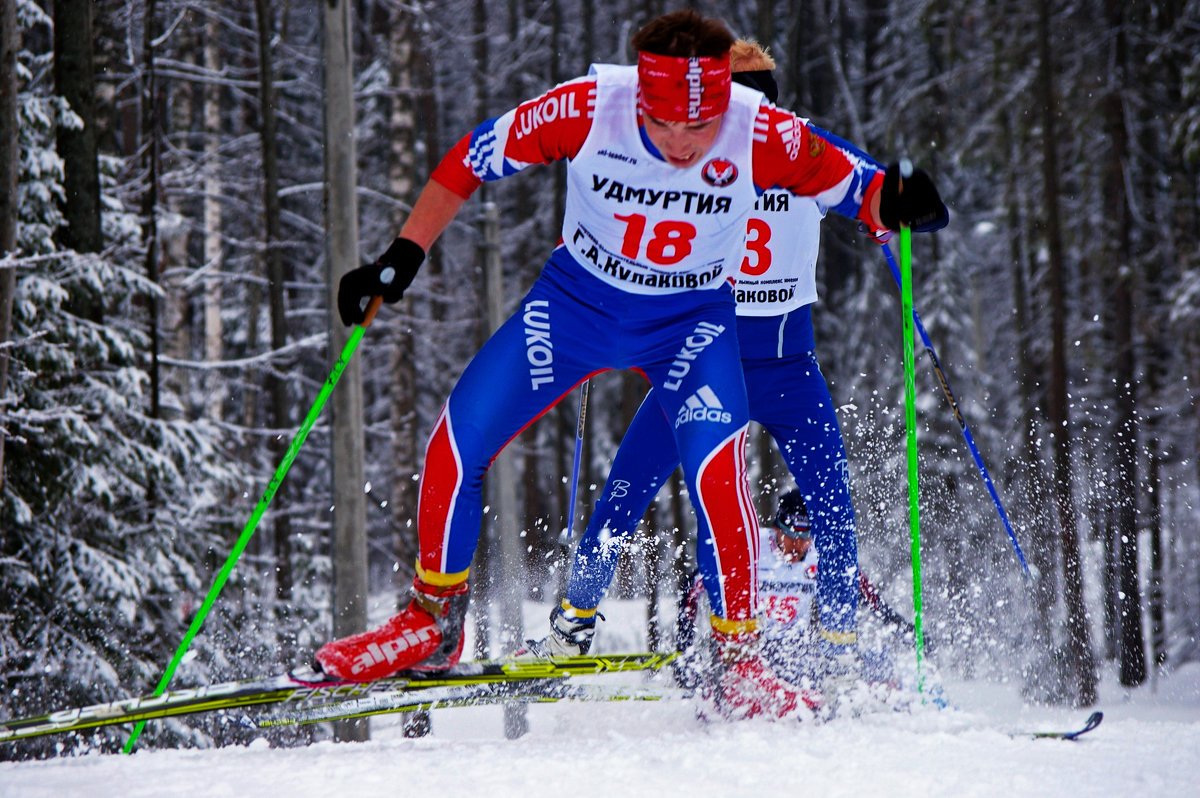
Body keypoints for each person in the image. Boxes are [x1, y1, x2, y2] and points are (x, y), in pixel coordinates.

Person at [316, 10, 946, 720]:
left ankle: (740, 661)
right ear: (640, 97)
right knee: (457, 442)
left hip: (689, 328)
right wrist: (400, 257)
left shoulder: (762, 131)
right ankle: (433, 621)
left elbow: (864, 189)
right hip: (575, 310)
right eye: (664, 124)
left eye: (699, 127)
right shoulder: (588, 107)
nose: (681, 144)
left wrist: (903, 200)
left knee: (719, 477)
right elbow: (468, 159)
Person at [520, 40, 945, 702]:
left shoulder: (801, 151)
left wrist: (898, 210)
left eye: (745, 101)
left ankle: (834, 650)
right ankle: (589, 629)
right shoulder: (692, 159)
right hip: (701, 363)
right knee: (635, 498)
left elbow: (899, 200)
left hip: (783, 368)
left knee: (830, 510)